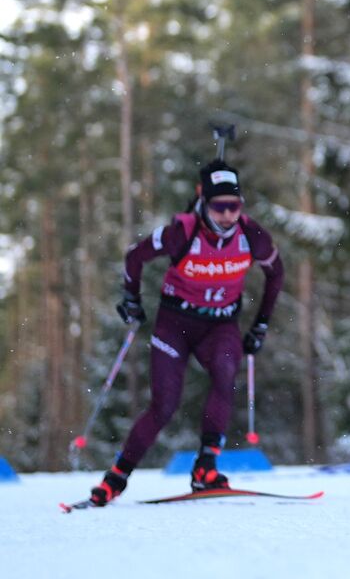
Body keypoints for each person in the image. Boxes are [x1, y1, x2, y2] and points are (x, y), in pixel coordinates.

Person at [87, 159, 284, 506]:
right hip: (175, 323)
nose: (227, 215)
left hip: (221, 324)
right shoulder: (182, 231)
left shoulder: (251, 235)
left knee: (225, 373)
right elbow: (135, 256)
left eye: (234, 207)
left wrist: (261, 323)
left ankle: (205, 468)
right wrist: (131, 299)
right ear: (203, 204)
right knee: (164, 404)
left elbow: (276, 274)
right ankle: (116, 478)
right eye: (219, 207)